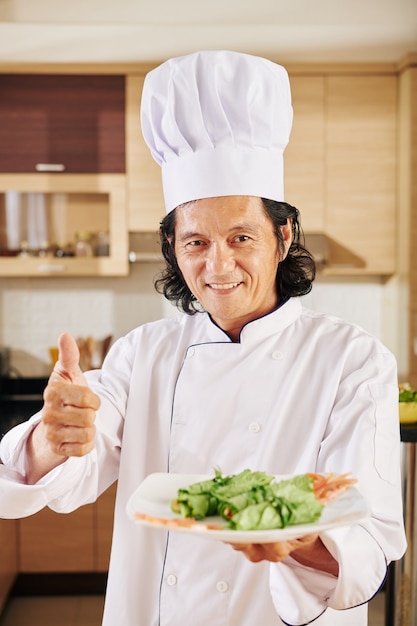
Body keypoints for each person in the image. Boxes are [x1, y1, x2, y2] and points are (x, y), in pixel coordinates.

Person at [0, 50, 406, 626]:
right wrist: (55, 438)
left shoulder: (351, 359)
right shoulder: (142, 355)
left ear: (283, 235)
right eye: (195, 242)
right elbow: (70, 469)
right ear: (173, 247)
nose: (218, 266)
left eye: (241, 237)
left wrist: (292, 543)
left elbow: (367, 538)